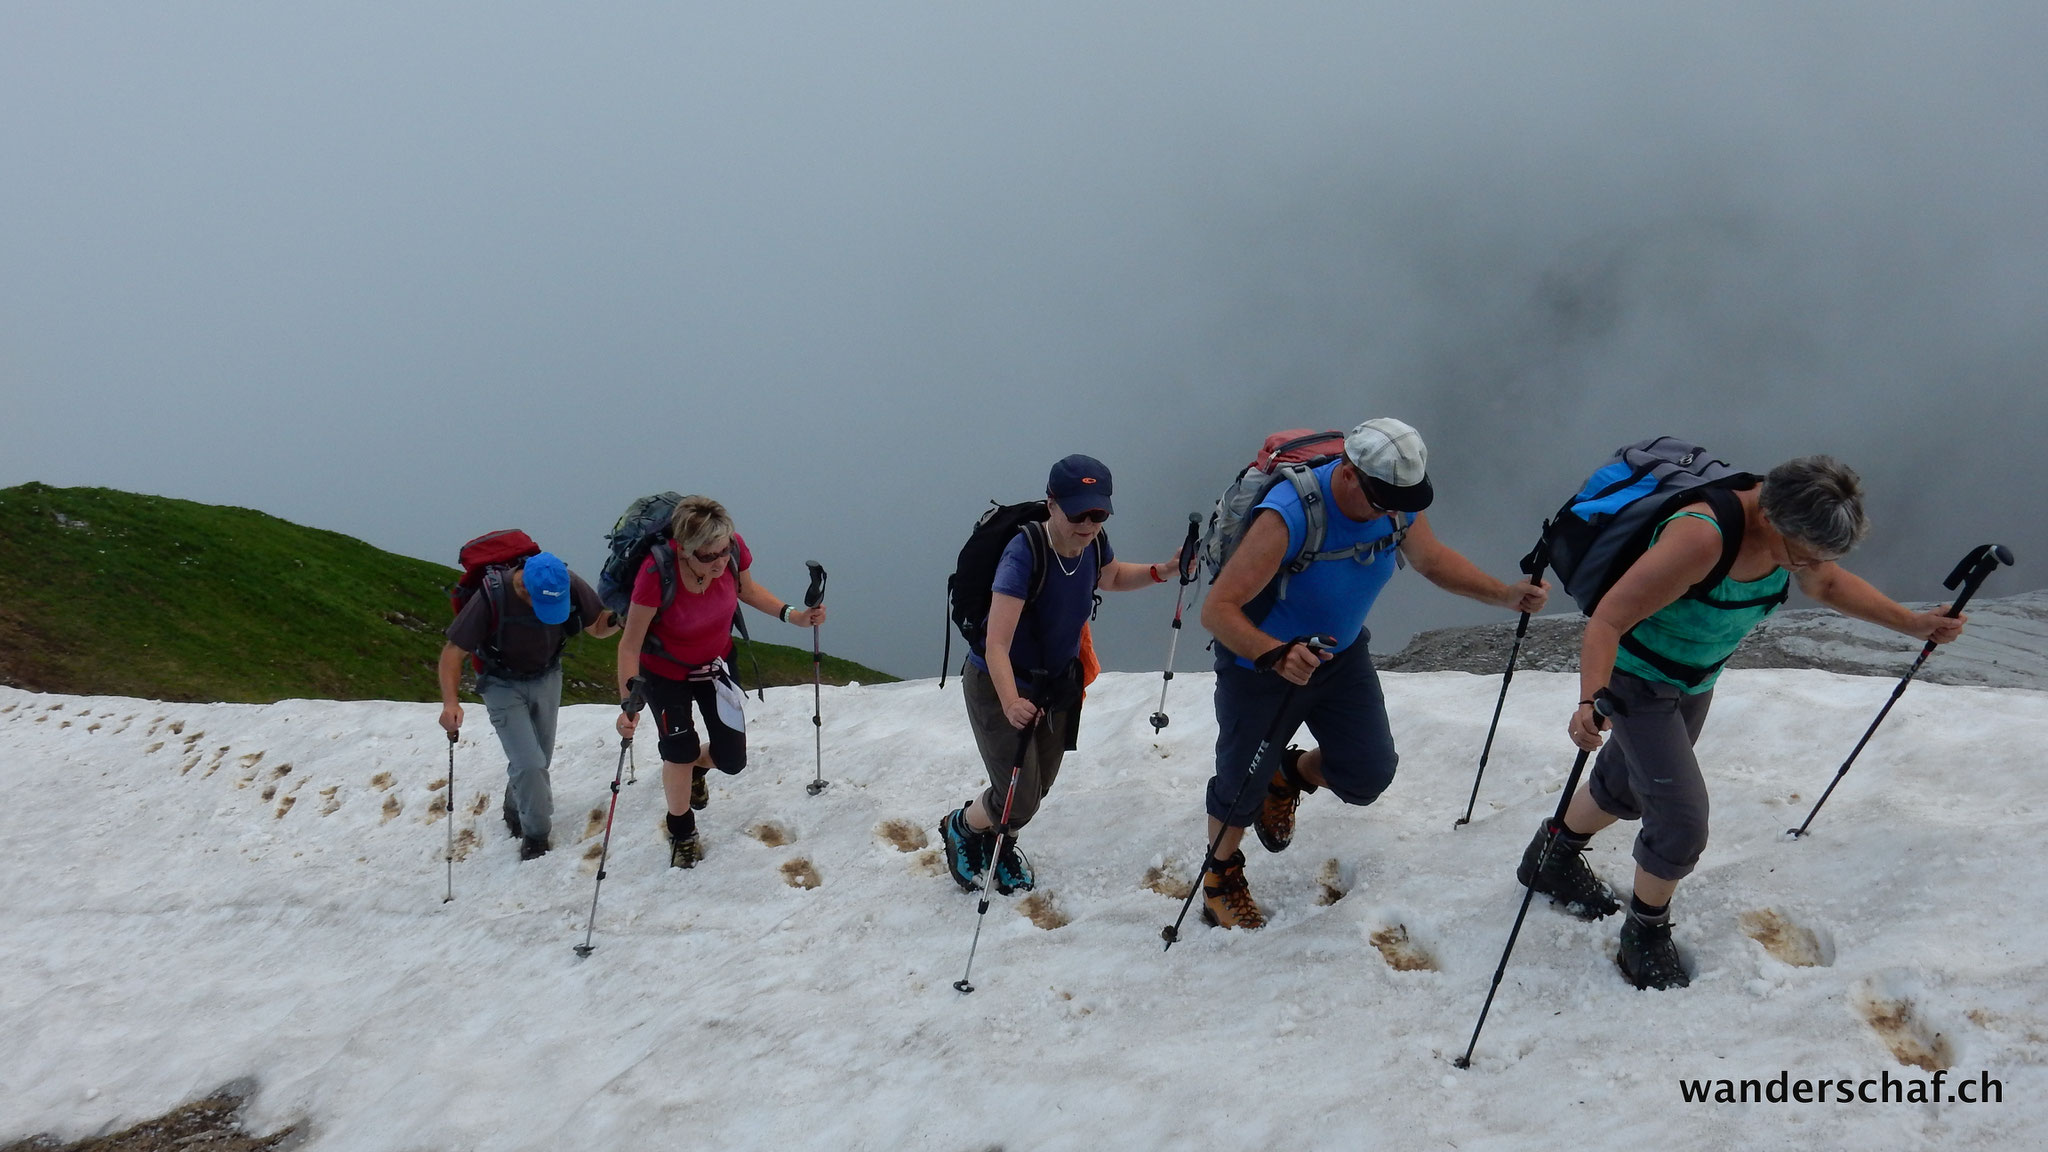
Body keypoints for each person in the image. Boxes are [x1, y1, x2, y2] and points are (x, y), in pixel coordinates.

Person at [1522, 455, 1966, 989]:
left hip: (1695, 678)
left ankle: (1551, 856)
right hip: (1637, 679)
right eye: (1801, 557)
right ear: (1773, 521)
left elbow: (1827, 585)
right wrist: (1589, 699)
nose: (1804, 568)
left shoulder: (1793, 535)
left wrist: (1914, 623)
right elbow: (1610, 619)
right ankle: (1645, 932)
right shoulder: (1701, 539)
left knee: (1629, 788)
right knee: (1681, 821)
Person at [1198, 418, 1548, 929]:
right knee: (1238, 786)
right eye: (1380, 498)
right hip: (1259, 667)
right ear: (1346, 473)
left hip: (1340, 658)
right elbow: (1218, 610)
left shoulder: (1395, 504)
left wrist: (1504, 594)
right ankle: (1220, 877)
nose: (1390, 511)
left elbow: (1431, 560)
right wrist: (1275, 654)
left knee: (1367, 774)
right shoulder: (1290, 514)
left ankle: (1288, 774)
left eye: (1398, 501)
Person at [938, 454, 1181, 895]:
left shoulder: (1092, 543)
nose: (1088, 524)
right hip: (1000, 687)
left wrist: (1162, 572)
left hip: (1055, 686)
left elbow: (1110, 576)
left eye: (1098, 513)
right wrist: (1011, 700)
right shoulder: (1023, 555)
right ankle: (962, 827)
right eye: (1078, 513)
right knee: (1019, 797)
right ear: (1052, 505)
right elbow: (996, 643)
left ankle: (1001, 840)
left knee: (1036, 788)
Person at [614, 495, 824, 868]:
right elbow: (629, 645)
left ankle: (697, 767)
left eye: (724, 552)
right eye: (708, 557)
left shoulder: (732, 549)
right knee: (677, 749)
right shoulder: (655, 573)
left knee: (731, 759)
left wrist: (793, 615)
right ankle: (681, 830)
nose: (720, 562)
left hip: (716, 664)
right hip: (665, 672)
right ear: (684, 550)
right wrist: (629, 703)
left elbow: (747, 589)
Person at [438, 551, 617, 860]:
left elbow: (598, 626)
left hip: (548, 677)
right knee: (531, 764)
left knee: (539, 759)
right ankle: (536, 837)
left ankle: (514, 803)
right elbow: (453, 653)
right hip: (500, 684)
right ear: (523, 588)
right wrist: (451, 703)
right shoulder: (492, 596)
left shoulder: (567, 582)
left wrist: (620, 619)